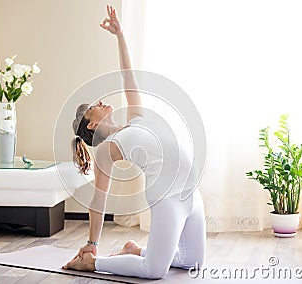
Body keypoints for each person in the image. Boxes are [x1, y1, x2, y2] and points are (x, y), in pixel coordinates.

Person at [62, 5, 206, 279]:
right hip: (167, 199)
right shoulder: (107, 149)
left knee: (192, 263)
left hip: (191, 192)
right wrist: (92, 247)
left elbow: (128, 74)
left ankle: (134, 249)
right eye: (94, 105)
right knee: (154, 271)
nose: (101, 101)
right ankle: (94, 264)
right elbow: (99, 200)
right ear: (91, 124)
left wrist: (120, 35)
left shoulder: (136, 118)